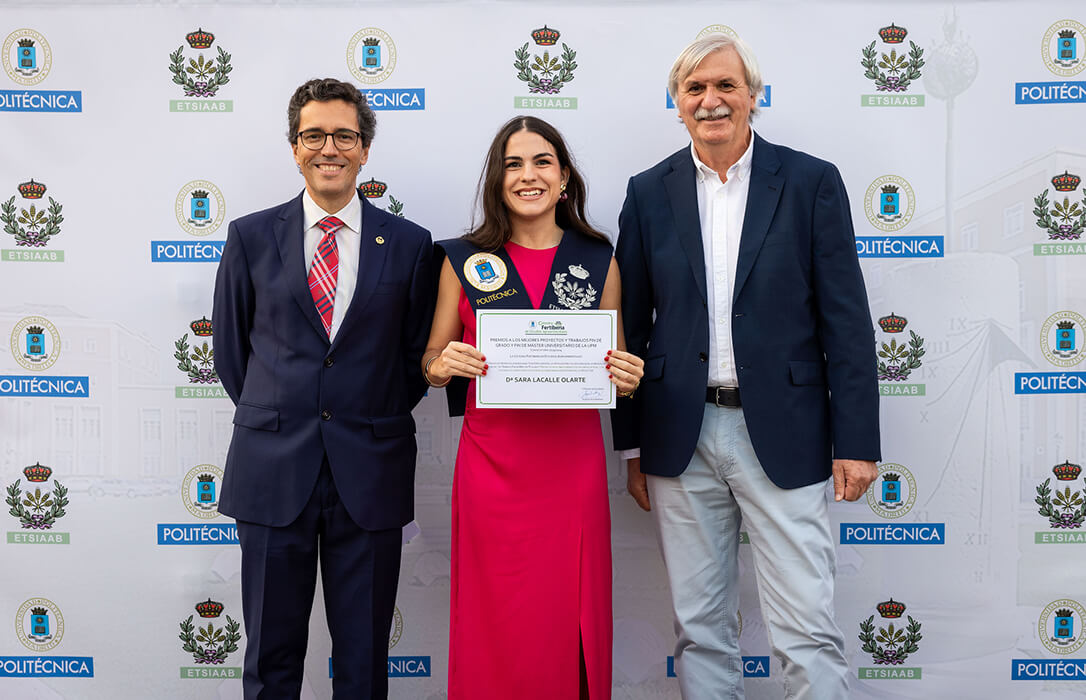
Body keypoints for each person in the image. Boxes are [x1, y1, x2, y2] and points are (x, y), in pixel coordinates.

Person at [611, 34, 881, 699]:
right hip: (680, 435)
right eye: (695, 88)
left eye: (726, 86)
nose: (711, 100)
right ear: (677, 102)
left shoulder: (812, 182)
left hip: (786, 434)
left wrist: (858, 443)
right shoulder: (647, 193)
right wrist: (634, 445)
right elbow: (626, 329)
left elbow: (845, 321)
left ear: (753, 96)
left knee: (805, 630)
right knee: (700, 630)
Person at [212, 78, 434, 700]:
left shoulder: (411, 244)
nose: (328, 147)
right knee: (271, 659)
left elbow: (415, 361)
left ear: (364, 150)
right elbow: (233, 355)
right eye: (313, 135)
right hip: (272, 469)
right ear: (294, 147)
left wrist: (359, 415)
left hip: (369, 470)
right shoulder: (250, 237)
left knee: (364, 660)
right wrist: (285, 412)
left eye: (344, 135)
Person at [422, 116, 643, 700]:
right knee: (493, 613)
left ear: (564, 178)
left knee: (566, 609)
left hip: (570, 467)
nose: (528, 175)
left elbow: (615, 361)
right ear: (497, 181)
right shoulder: (462, 259)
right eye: (513, 164)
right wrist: (444, 365)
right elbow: (430, 358)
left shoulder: (598, 259)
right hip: (491, 466)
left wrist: (627, 376)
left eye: (542, 161)